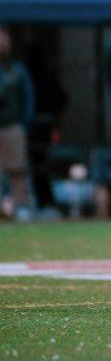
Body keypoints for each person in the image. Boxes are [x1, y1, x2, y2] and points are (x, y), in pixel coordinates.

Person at [0, 27, 36, 220]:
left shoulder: (17, 69)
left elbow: (28, 98)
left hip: (13, 126)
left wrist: (24, 123)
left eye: (4, 39)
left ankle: (21, 207)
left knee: (16, 171)